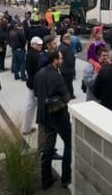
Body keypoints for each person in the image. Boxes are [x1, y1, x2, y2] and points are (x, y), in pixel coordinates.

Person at [34, 48, 72, 189]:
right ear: (55, 60)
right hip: (59, 116)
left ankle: (46, 180)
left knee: (48, 148)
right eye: (60, 58)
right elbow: (67, 97)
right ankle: (66, 178)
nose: (62, 61)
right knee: (69, 143)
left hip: (44, 116)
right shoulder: (57, 76)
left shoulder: (39, 74)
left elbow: (37, 94)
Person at [22, 36, 43, 136]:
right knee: (40, 107)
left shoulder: (29, 54)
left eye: (41, 44)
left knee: (30, 106)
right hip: (37, 85)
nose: (40, 46)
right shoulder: (38, 56)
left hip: (31, 83)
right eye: (38, 44)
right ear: (33, 44)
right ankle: (42, 129)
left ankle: (26, 128)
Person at [59, 33, 77, 97]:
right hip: (68, 69)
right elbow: (70, 60)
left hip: (62, 68)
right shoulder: (67, 48)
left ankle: (65, 94)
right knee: (69, 83)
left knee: (64, 82)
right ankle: (70, 95)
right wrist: (73, 61)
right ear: (65, 39)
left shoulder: (61, 46)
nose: (70, 41)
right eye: (69, 39)